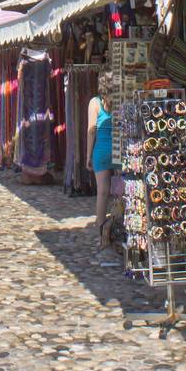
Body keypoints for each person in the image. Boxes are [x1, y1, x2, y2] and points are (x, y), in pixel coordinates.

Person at [88, 75, 117, 258]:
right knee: (122, 193)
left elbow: (91, 131)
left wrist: (87, 155)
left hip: (101, 151)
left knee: (102, 193)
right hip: (119, 151)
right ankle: (122, 227)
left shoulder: (95, 103)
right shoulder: (120, 101)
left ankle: (101, 234)